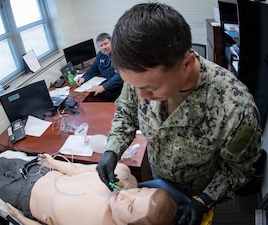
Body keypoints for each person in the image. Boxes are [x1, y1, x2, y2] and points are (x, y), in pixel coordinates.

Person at [95, 3, 262, 225]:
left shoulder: (236, 110)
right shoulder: (140, 78)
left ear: (187, 63)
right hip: (158, 184)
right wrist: (112, 150)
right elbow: (126, 113)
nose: (142, 96)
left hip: (197, 191)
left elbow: (238, 169)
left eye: (151, 89)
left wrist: (204, 200)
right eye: (136, 88)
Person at [0, 144, 178, 225]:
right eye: (138, 191)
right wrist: (52, 162)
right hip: (42, 173)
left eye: (130, 207)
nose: (125, 195)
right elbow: (77, 169)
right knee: (9, 162)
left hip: (25, 198)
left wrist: (19, 218)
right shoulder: (119, 176)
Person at [76, 33, 123, 101]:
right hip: (107, 89)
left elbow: (120, 75)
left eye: (106, 43)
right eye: (101, 45)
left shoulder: (120, 54)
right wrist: (84, 77)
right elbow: (94, 68)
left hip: (119, 89)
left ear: (112, 42)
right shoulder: (100, 55)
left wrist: (103, 87)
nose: (104, 47)